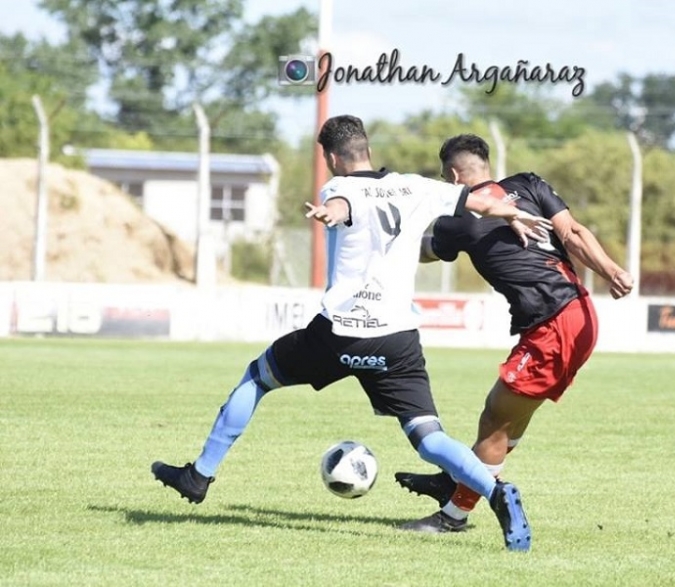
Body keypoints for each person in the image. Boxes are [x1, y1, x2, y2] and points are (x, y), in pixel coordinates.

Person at [151, 115, 555, 552]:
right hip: (397, 340)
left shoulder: (338, 189)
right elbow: (480, 202)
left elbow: (346, 205)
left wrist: (330, 212)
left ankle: (199, 476)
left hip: (339, 333)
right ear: (366, 149)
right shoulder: (417, 186)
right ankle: (498, 494)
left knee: (258, 377)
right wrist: (515, 214)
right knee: (428, 438)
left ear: (330, 157)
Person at [394, 133, 633, 533]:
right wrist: (613, 271)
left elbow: (426, 250)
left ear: (454, 177)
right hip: (580, 312)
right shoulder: (529, 184)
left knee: (495, 417)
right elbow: (573, 233)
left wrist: (382, 235)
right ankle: (455, 481)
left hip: (552, 323)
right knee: (514, 415)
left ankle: (454, 513)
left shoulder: (457, 219)